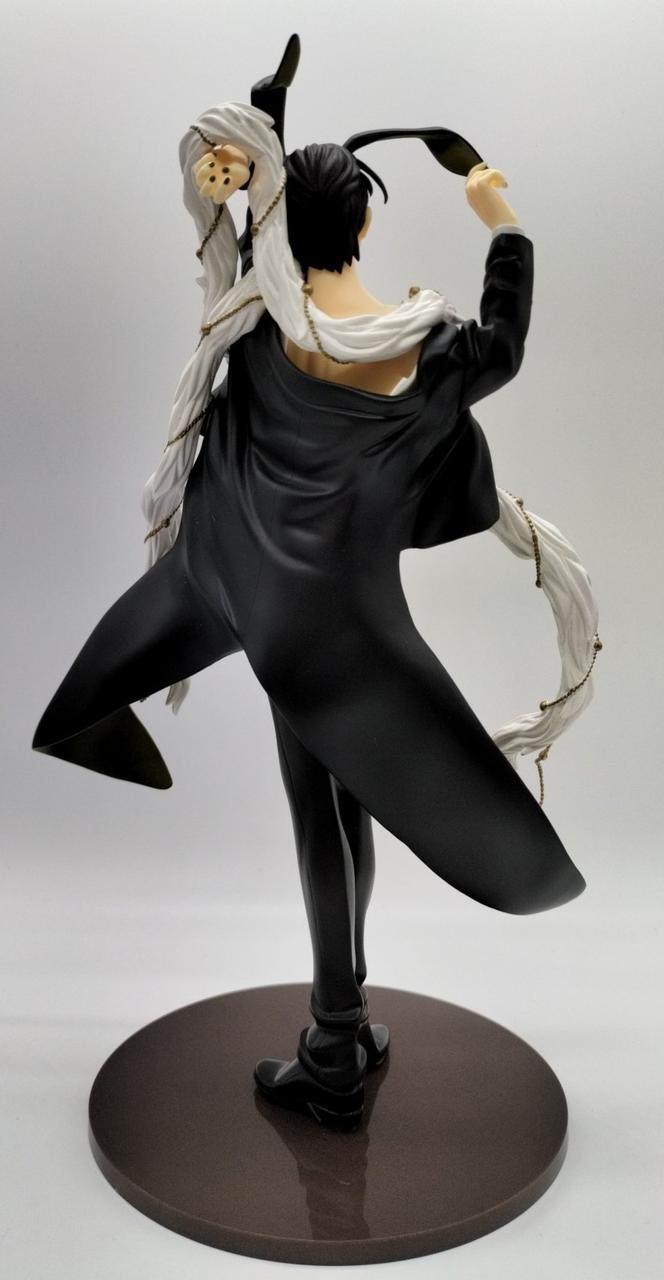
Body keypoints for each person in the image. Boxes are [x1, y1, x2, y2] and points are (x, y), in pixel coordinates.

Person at [32, 92, 590, 1130]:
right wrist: (501, 220)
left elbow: (244, 233)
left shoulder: (257, 322)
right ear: (367, 223)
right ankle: (338, 1036)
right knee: (333, 809)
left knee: (329, 810)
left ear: (278, 222)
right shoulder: (431, 355)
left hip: (255, 605)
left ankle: (340, 1035)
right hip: (345, 637)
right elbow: (506, 344)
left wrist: (253, 151)